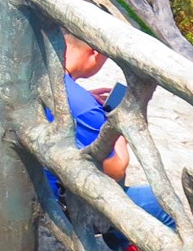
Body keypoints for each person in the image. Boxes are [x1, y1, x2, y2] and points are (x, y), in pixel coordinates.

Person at [54, 25, 178, 240]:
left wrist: (84, 97)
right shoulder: (84, 107)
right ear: (95, 52)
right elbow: (115, 169)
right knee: (160, 204)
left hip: (41, 185)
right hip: (65, 206)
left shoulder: (47, 78)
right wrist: (119, 128)